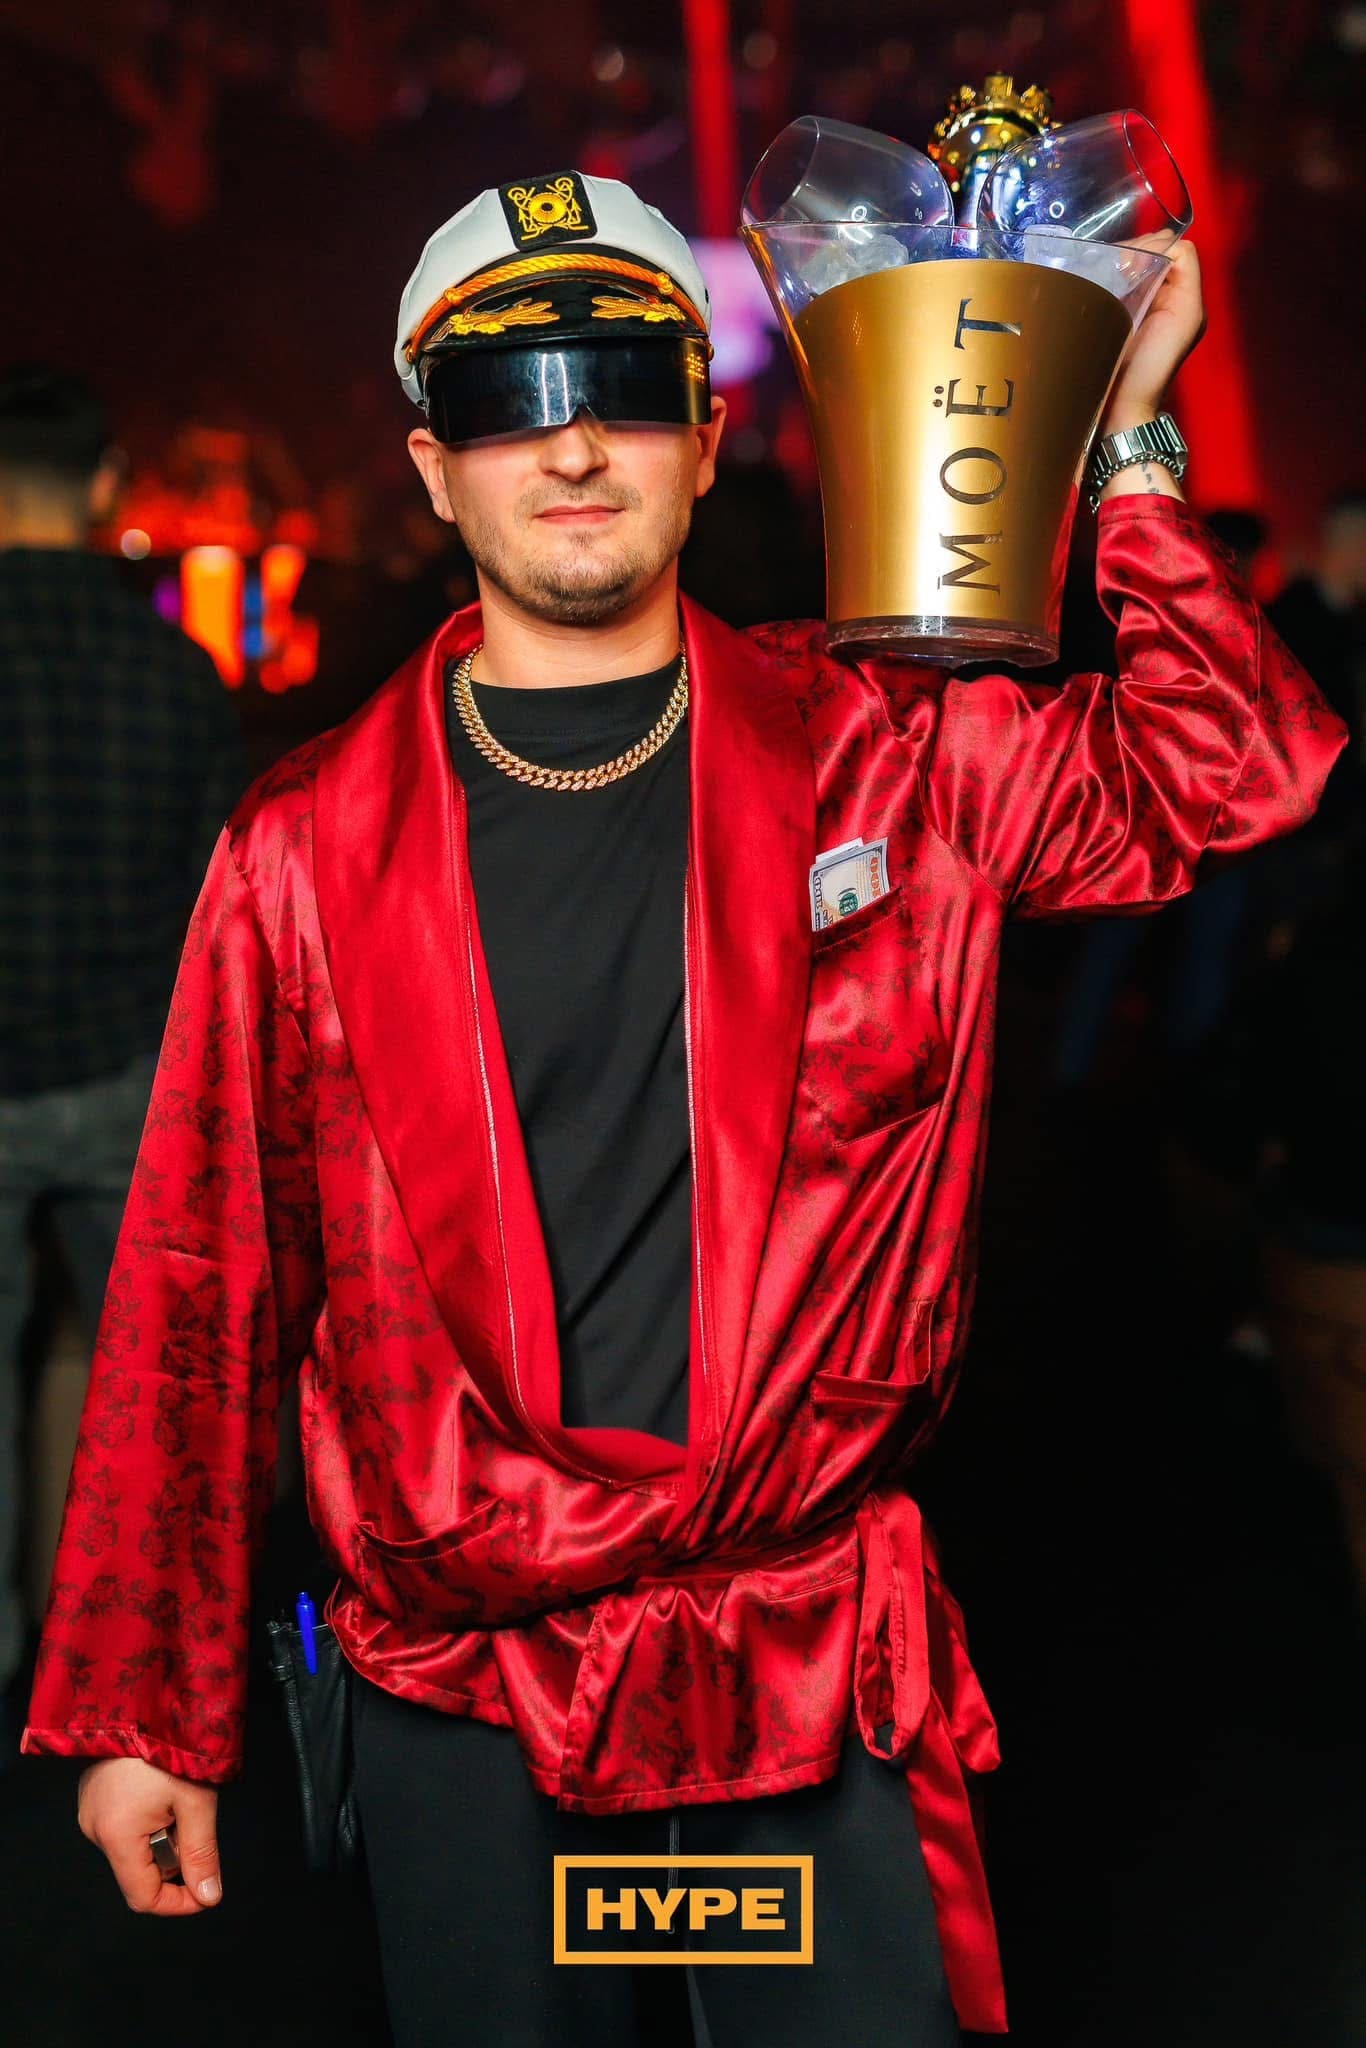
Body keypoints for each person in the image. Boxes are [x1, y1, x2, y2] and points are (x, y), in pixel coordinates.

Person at [20, 173, 1346, 2045]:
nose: (571, 443)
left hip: (793, 1664)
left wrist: (1127, 422)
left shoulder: (886, 754)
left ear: (707, 442)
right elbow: (197, 1283)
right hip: (469, 1697)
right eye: (508, 399)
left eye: (625, 385)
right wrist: (144, 1711)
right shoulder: (303, 849)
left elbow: (1237, 768)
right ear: (432, 470)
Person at [0, 366, 247, 1750]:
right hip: (124, 1075)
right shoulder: (173, 671)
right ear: (103, 489)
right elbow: (217, 900)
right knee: (134, 1388)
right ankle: (121, 1665)